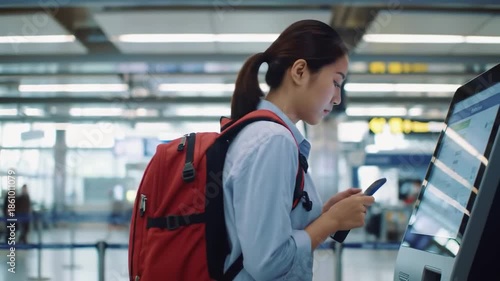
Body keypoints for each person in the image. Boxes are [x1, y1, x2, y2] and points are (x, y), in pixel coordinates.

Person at [222, 19, 375, 280]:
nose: (337, 98)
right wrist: (333, 222)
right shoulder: (273, 140)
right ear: (300, 71)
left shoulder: (260, 133)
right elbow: (268, 263)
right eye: (336, 82)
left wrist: (323, 214)